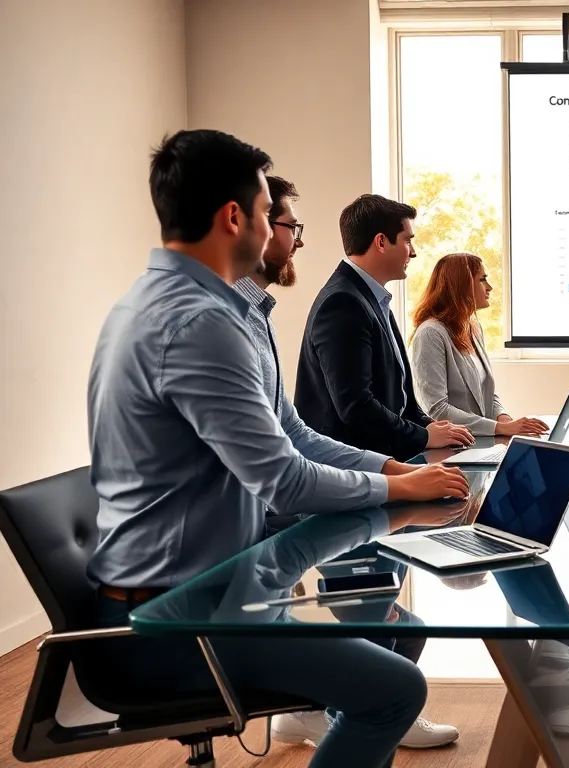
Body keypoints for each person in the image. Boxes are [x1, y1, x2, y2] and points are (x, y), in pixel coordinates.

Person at [87, 129, 472, 768]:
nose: (276, 232)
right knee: (395, 689)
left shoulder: (187, 306)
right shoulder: (201, 323)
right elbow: (284, 481)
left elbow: (290, 431)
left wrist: (385, 466)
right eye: (270, 214)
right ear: (234, 217)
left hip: (216, 592)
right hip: (184, 622)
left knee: (394, 628)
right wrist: (401, 488)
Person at [232, 176, 461, 748]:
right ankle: (348, 708)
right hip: (274, 535)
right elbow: (347, 411)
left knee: (396, 626)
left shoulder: (261, 315)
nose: (299, 241)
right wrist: (393, 478)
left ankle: (327, 710)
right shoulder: (337, 303)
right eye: (287, 225)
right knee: (383, 630)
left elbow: (294, 431)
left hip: (321, 497)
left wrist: (399, 469)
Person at [294, 194, 469, 460]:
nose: (413, 251)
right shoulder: (343, 303)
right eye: (408, 240)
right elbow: (356, 407)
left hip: (379, 457)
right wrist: (424, 437)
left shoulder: (371, 297)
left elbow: (399, 397)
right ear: (381, 242)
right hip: (348, 468)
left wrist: (427, 425)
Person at [408, 252, 548, 437]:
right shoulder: (431, 334)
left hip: (479, 441)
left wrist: (505, 420)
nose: (489, 287)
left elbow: (487, 395)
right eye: (482, 280)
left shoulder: (473, 327)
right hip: (452, 446)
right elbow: (437, 409)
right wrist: (499, 428)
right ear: (462, 285)